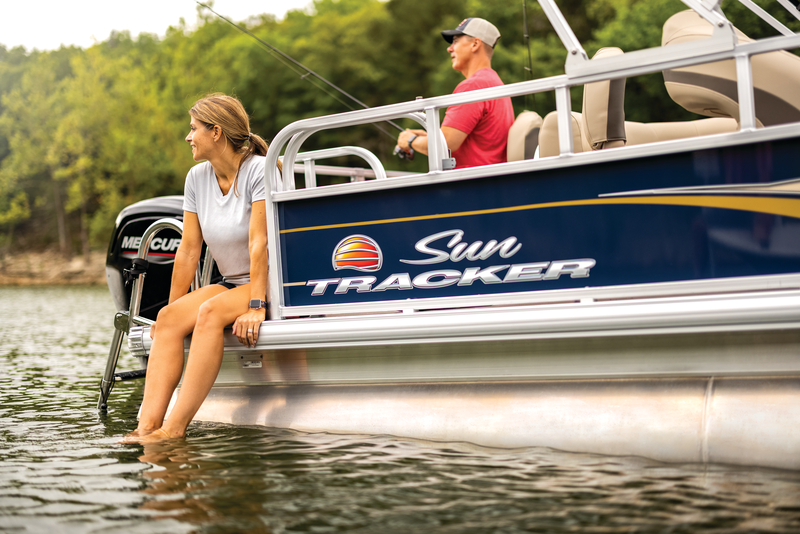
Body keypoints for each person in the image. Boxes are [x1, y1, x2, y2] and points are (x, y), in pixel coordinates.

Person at [123, 93, 278, 443]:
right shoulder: (196, 178)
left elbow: (260, 243)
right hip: (232, 283)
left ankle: (174, 430)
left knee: (209, 313)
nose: (188, 136)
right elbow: (189, 250)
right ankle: (146, 428)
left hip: (267, 283)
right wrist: (173, 310)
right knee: (168, 319)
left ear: (216, 132)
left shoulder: (258, 171)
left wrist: (256, 306)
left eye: (194, 129)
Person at [396, 18, 515, 169]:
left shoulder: (473, 86)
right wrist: (426, 137)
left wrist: (410, 140)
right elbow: (478, 142)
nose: (449, 49)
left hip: (472, 186)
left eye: (455, 41)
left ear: (475, 44)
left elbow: (445, 144)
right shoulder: (494, 82)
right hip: (488, 183)